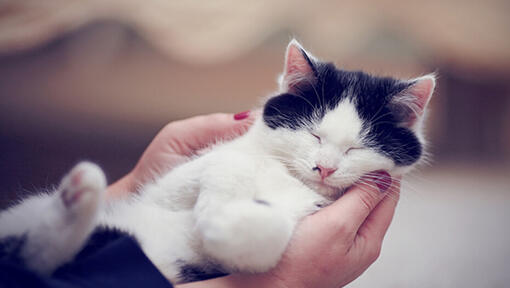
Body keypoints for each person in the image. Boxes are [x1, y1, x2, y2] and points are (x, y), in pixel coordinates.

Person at [1, 111, 400, 288]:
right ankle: (39, 248)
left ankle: (39, 250)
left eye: (354, 151)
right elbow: (159, 199)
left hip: (140, 251)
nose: (327, 165)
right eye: (314, 137)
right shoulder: (248, 155)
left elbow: (152, 197)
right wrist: (280, 283)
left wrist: (131, 185)